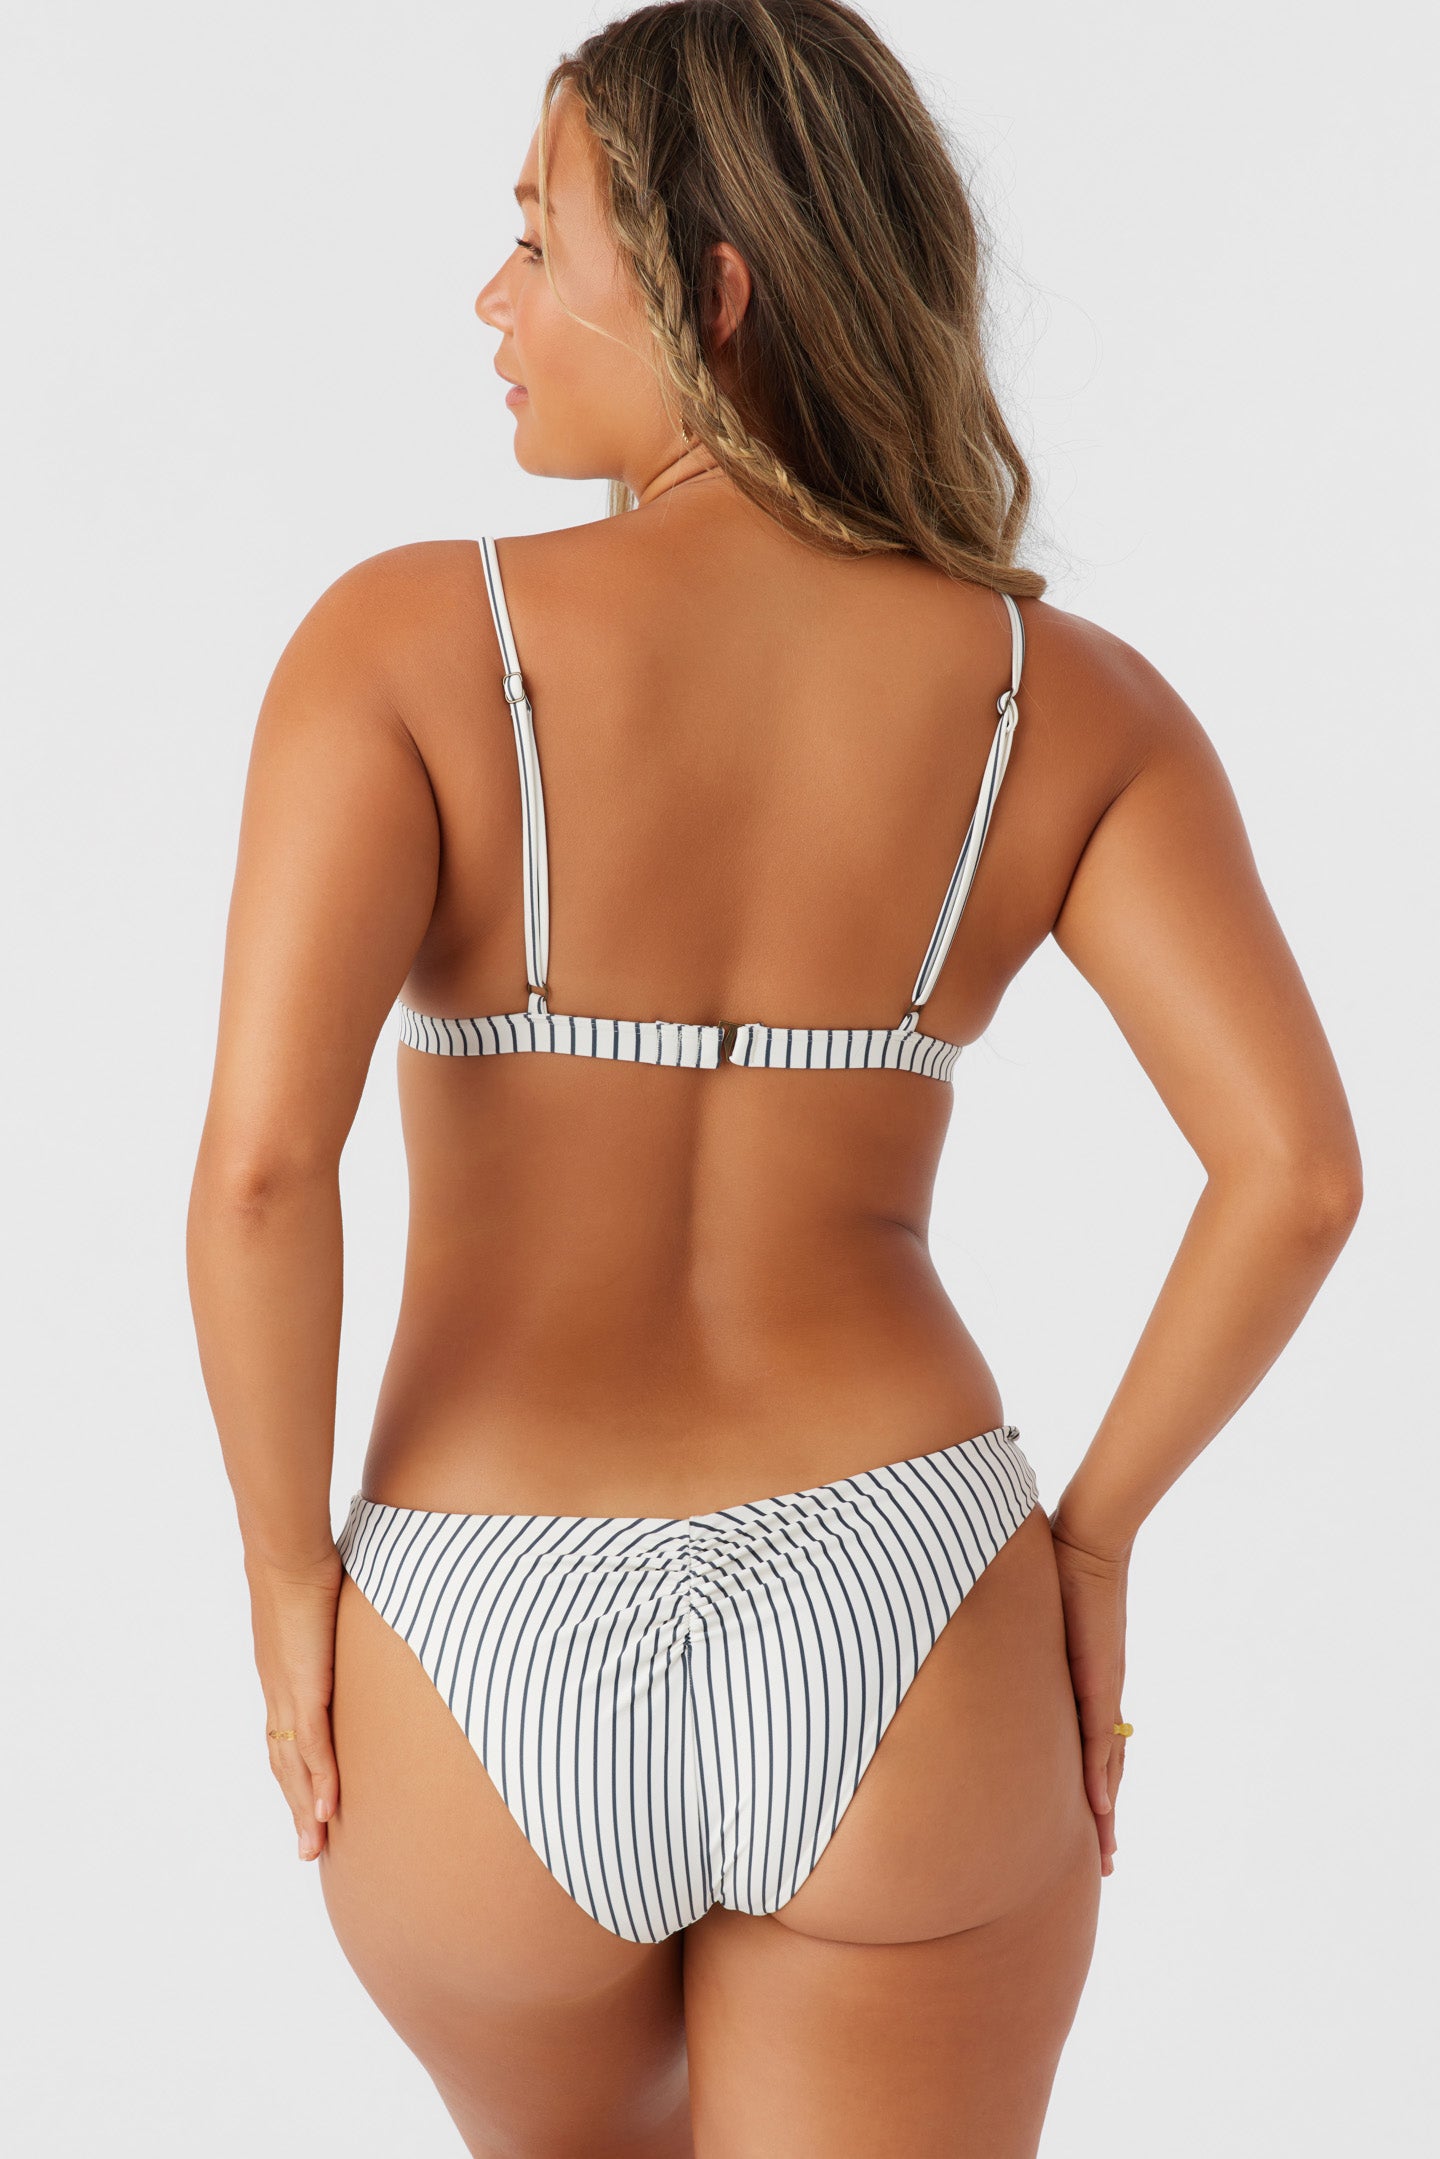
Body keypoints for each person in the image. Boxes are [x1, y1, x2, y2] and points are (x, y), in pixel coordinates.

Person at [186, 4, 1362, 2153]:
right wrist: (1093, 1548)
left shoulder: (405, 647)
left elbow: (266, 1171)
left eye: (535, 240)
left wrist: (284, 1578)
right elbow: (1293, 1174)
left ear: (710, 291)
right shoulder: (1066, 703)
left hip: (474, 1613)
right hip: (905, 1599)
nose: (491, 302)